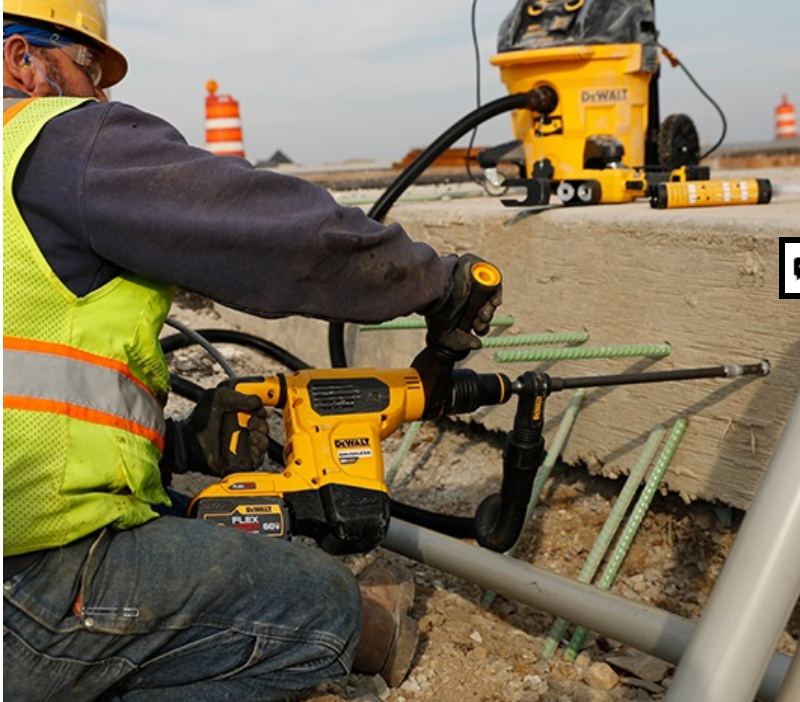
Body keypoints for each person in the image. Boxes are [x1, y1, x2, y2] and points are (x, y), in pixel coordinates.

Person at [2, 2, 503, 701]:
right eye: (90, 69)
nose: (101, 96)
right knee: (317, 599)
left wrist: (176, 448)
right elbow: (268, 236)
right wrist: (431, 281)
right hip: (23, 598)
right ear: (21, 60)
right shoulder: (54, 141)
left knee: (184, 508)